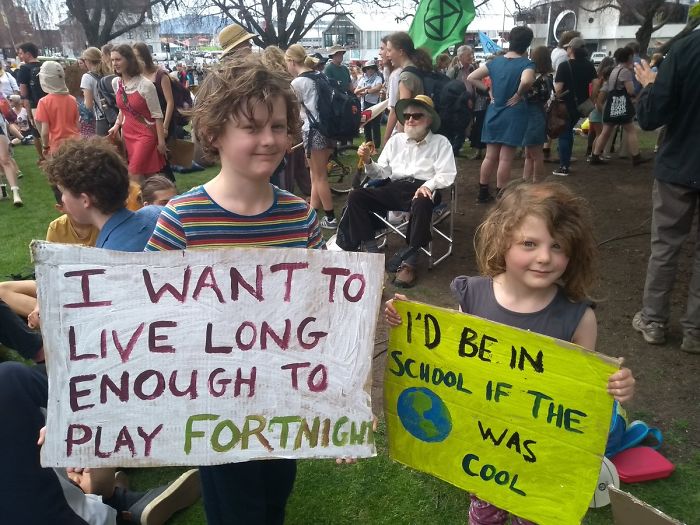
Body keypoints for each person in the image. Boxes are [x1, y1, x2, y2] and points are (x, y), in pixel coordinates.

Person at [384, 181, 636, 524]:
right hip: (483, 443)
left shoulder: (578, 318)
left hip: (540, 451)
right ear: (502, 241)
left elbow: (580, 390)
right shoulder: (474, 295)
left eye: (558, 246)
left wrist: (615, 386)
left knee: (531, 515)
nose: (544, 257)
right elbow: (449, 354)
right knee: (485, 508)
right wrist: (409, 321)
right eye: (529, 243)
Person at [146, 54, 324, 525]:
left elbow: (324, 302)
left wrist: (368, 310)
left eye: (279, 126)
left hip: (282, 397)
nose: (269, 139)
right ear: (213, 133)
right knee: (235, 511)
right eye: (251, 127)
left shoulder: (300, 217)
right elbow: (141, 311)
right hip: (213, 402)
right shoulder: (182, 219)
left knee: (273, 501)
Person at [335, 95, 456, 288]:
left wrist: (429, 185)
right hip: (395, 187)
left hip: (425, 188)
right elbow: (381, 173)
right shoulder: (396, 141)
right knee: (357, 196)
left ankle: (409, 263)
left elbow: (447, 173)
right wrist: (368, 161)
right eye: (407, 116)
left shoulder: (441, 142)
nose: (410, 120)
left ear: (429, 119)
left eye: (416, 116)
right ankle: (373, 254)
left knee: (422, 201)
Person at [631, 29, 700, 353]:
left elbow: (649, 116)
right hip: (680, 165)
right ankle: (695, 331)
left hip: (679, 165)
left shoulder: (685, 50)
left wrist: (649, 85)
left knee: (665, 246)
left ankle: (654, 320)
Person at [468, 26, 535, 202]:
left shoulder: (495, 62)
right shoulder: (527, 64)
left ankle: (483, 193)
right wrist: (519, 94)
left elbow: (471, 77)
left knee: (490, 156)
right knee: (505, 159)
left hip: (494, 111)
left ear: (510, 40)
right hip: (513, 113)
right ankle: (501, 194)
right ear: (527, 43)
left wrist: (488, 90)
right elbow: (527, 80)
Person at [286, 44, 337, 230]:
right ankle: (312, 212)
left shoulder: (297, 83)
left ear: (292, 61)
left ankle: (330, 218)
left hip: (313, 132)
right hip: (328, 129)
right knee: (315, 174)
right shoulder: (319, 75)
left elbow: (293, 112)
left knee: (319, 176)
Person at [108, 44, 166, 184]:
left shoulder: (145, 85)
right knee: (149, 175)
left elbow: (157, 115)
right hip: (127, 134)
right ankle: (161, 195)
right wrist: (116, 126)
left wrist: (161, 142)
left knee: (133, 173)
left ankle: (138, 199)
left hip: (145, 134)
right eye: (112, 60)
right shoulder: (116, 83)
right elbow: (123, 109)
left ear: (129, 60)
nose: (114, 63)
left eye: (118, 59)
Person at [589, 47, 647, 167]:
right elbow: (630, 90)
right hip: (621, 105)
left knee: (605, 131)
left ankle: (595, 155)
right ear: (629, 57)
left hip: (611, 103)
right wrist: (636, 95)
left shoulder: (614, 70)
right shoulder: (625, 72)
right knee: (631, 130)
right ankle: (636, 156)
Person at [133, 42, 177, 182]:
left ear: (145, 56)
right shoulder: (137, 75)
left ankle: (167, 184)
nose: (136, 59)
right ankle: (159, 184)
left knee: (161, 154)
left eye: (138, 56)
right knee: (152, 157)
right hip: (146, 122)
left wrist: (165, 126)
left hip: (162, 119)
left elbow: (170, 101)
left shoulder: (160, 74)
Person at [552, 37, 596, 176]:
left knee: (564, 135)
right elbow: (596, 83)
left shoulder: (564, 66)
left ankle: (564, 166)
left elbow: (558, 89)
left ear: (571, 49)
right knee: (568, 131)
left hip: (565, 105)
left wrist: (555, 97)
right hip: (582, 105)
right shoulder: (589, 65)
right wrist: (591, 99)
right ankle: (566, 162)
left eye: (568, 47)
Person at [33, 61, 79, 156]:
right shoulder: (72, 99)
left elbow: (45, 132)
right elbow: (78, 125)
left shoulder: (44, 102)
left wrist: (45, 146)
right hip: (75, 144)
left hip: (57, 147)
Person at [522, 46, 553, 183]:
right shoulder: (547, 78)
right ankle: (527, 180)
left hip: (532, 115)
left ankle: (536, 182)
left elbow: (528, 95)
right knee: (530, 153)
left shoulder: (534, 78)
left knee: (534, 154)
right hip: (538, 114)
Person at [16, 41, 47, 161]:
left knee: (36, 133)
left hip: (34, 105)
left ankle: (42, 157)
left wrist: (28, 114)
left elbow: (24, 93)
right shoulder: (43, 66)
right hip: (48, 102)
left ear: (28, 54)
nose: (19, 56)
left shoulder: (24, 69)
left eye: (21, 53)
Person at [79, 47, 109, 137]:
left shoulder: (87, 77)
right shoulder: (108, 72)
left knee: (103, 145)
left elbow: (88, 105)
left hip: (101, 119)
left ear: (88, 60)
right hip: (115, 115)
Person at [379, 35, 403, 146]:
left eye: (383, 49)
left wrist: (386, 139)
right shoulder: (393, 72)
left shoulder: (396, 74)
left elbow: (394, 110)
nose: (380, 53)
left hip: (399, 132)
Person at [355, 61, 383, 149]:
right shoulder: (362, 79)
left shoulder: (378, 78)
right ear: (365, 70)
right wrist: (366, 88)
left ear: (374, 69)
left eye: (372, 68)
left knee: (376, 126)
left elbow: (378, 88)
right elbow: (356, 91)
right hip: (365, 105)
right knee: (366, 126)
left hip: (375, 104)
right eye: (368, 68)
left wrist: (366, 92)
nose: (370, 70)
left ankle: (376, 146)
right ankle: (368, 145)